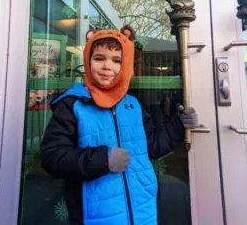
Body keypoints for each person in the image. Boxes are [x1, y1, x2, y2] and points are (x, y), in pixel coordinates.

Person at [41, 26, 198, 225]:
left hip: (143, 211)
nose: (108, 66)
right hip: (95, 215)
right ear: (88, 60)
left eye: (117, 60)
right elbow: (52, 156)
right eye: (99, 58)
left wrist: (179, 124)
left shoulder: (132, 105)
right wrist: (102, 159)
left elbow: (150, 145)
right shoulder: (73, 105)